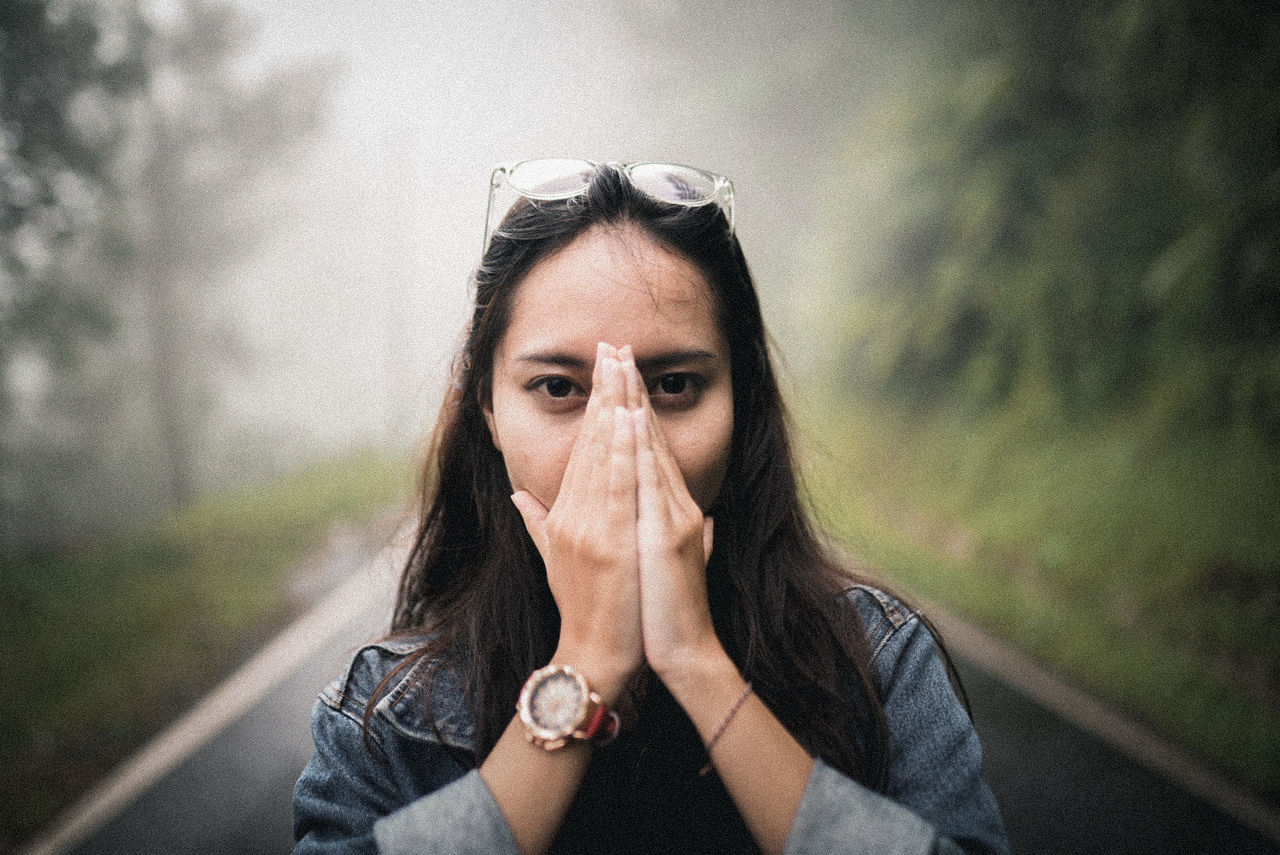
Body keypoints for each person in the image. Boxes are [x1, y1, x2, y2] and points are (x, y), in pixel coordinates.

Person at [292, 159, 1009, 855]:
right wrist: (588, 664)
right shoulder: (388, 716)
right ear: (486, 404)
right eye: (557, 387)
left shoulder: (879, 662)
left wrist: (696, 662)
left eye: (671, 385)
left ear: (741, 400)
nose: (621, 437)